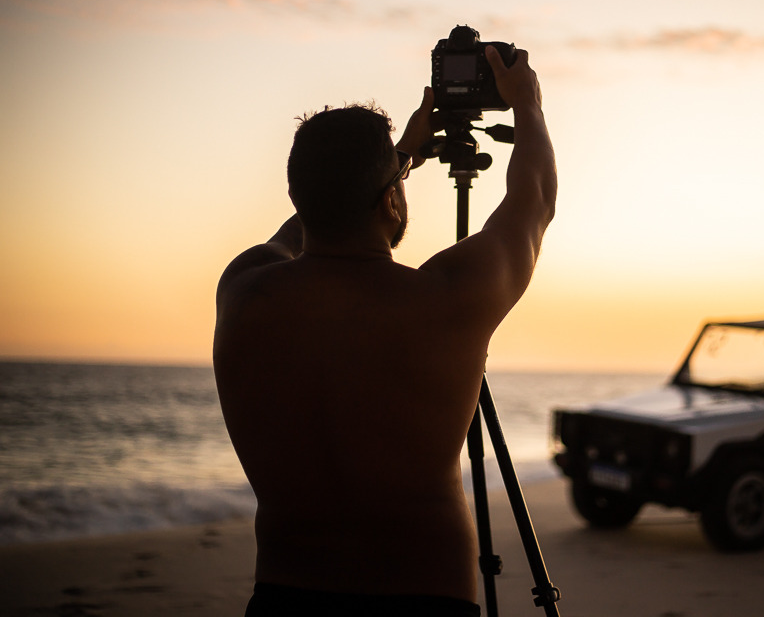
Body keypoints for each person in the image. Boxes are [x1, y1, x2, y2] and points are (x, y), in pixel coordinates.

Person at [213, 45, 556, 616]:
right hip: (422, 599)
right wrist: (528, 103)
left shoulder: (244, 291)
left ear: (297, 195)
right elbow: (533, 202)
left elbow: (303, 228)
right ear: (392, 200)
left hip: (283, 596)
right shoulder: (445, 299)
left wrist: (398, 160)